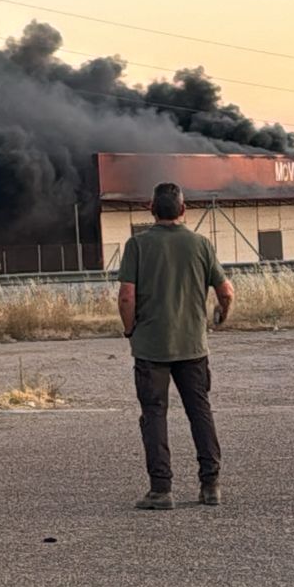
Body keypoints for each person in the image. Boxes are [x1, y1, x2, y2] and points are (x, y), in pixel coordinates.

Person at [117, 182, 234, 510]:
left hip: (151, 347)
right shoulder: (201, 244)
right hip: (193, 346)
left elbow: (126, 295)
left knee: (154, 415)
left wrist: (130, 330)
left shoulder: (137, 245)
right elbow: (227, 292)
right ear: (183, 210)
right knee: (200, 412)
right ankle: (210, 485)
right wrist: (220, 318)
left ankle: (161, 490)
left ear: (151, 208)